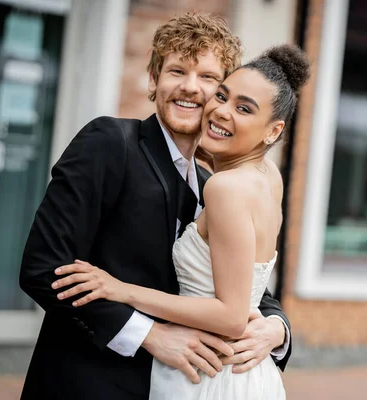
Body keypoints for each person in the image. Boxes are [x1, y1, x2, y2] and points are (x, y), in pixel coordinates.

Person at [19, 14, 293, 400]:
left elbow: (246, 287)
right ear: (153, 79)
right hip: (91, 385)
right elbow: (43, 268)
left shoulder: (217, 184)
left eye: (209, 79)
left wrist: (277, 329)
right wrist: (149, 334)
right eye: (176, 70)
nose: (189, 87)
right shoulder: (109, 143)